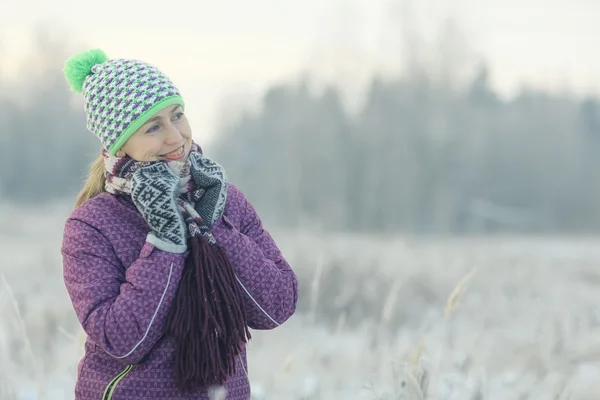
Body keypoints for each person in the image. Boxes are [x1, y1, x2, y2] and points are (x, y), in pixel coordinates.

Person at [60, 48, 299, 400]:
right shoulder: (92, 225)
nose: (175, 137)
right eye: (153, 127)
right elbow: (122, 341)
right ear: (120, 145)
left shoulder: (222, 199)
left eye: (178, 115)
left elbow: (275, 306)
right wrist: (166, 240)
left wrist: (212, 225)